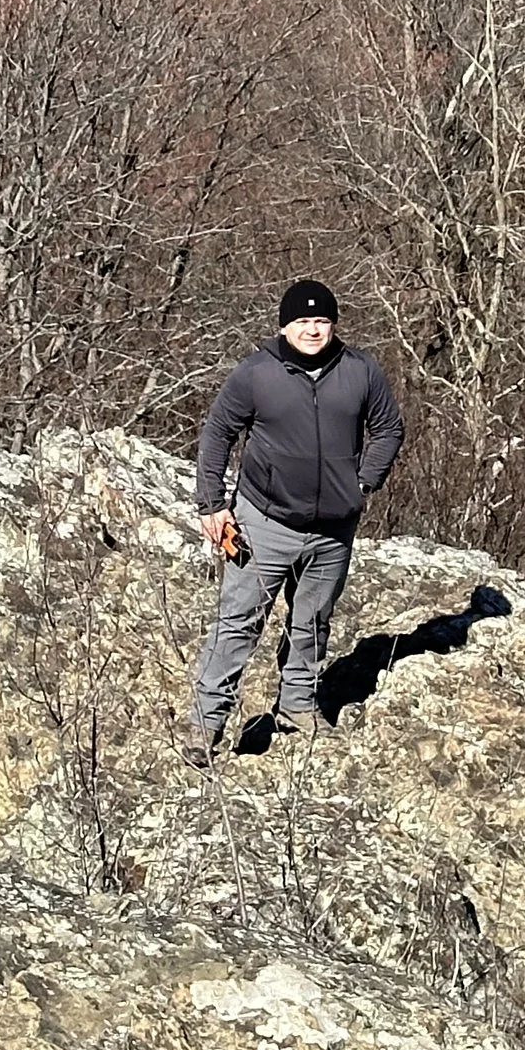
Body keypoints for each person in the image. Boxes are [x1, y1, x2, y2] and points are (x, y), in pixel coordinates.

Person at [183, 278, 404, 762]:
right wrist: (212, 504)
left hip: (333, 530)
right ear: (284, 326)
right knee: (238, 622)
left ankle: (298, 708)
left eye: (322, 320)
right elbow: (218, 432)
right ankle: (205, 726)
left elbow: (389, 429)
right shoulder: (257, 374)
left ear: (333, 324)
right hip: (264, 521)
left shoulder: (360, 371)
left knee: (312, 622)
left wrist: (363, 483)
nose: (313, 329)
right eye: (303, 321)